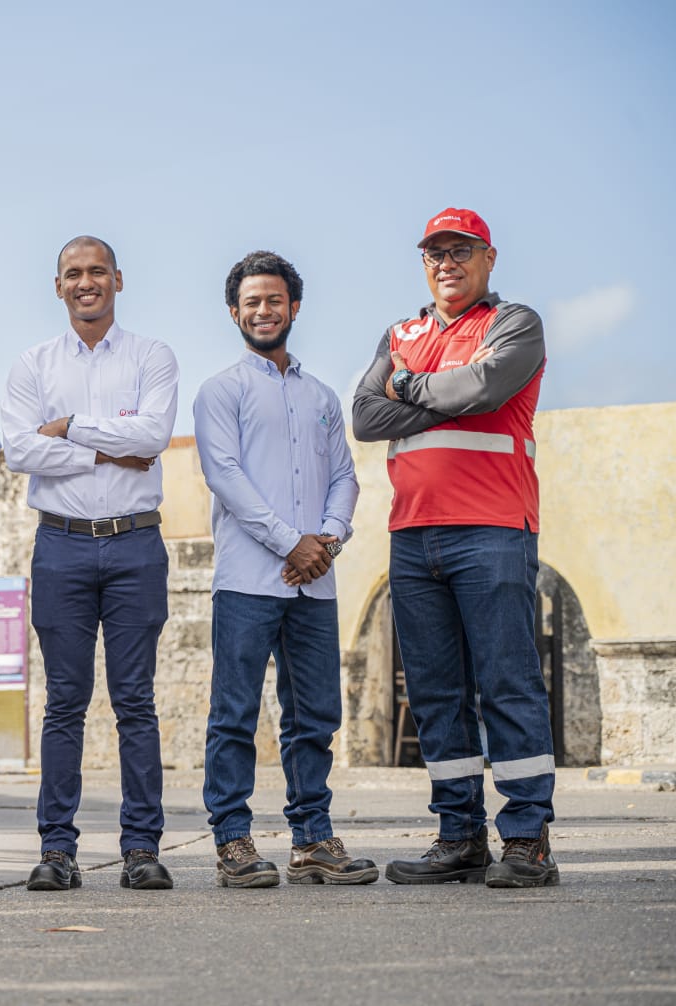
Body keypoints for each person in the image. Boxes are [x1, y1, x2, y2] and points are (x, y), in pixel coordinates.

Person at [352, 208, 558, 888]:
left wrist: (408, 387)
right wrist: (449, 397)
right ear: (423, 263)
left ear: (488, 258)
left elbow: (486, 386)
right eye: (436, 252)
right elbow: (364, 415)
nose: (448, 262)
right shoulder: (399, 331)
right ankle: (459, 835)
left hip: (493, 529)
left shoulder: (513, 324)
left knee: (506, 682)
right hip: (413, 537)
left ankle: (527, 839)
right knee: (438, 694)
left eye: (461, 250)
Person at [1, 236, 179, 892]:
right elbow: (20, 451)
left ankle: (141, 849)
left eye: (97, 271)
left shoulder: (152, 356)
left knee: (135, 701)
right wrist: (110, 447)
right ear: (58, 286)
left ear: (118, 280)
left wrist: (70, 426)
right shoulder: (32, 364)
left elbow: (154, 438)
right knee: (65, 704)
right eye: (73, 273)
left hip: (135, 544)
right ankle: (57, 849)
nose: (86, 282)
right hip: (62, 545)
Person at [193, 251, 377, 888]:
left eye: (274, 300)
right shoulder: (221, 391)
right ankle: (233, 840)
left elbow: (346, 477)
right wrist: (288, 543)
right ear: (233, 313)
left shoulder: (322, 396)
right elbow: (226, 477)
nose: (262, 311)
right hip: (247, 579)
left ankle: (313, 839)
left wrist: (326, 540)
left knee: (315, 715)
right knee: (234, 712)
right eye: (251, 302)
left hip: (315, 583)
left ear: (294, 307)